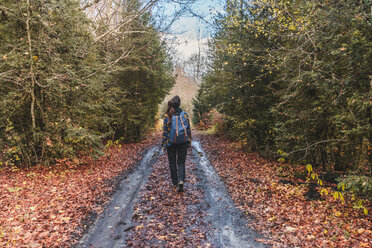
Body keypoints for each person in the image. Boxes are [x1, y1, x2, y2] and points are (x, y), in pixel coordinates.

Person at [162, 96, 192, 192]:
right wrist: (189, 141)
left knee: (172, 163)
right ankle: (181, 181)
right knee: (181, 162)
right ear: (179, 104)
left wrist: (164, 144)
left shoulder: (168, 116)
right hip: (183, 142)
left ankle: (175, 184)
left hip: (171, 143)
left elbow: (165, 131)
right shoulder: (185, 115)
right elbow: (188, 129)